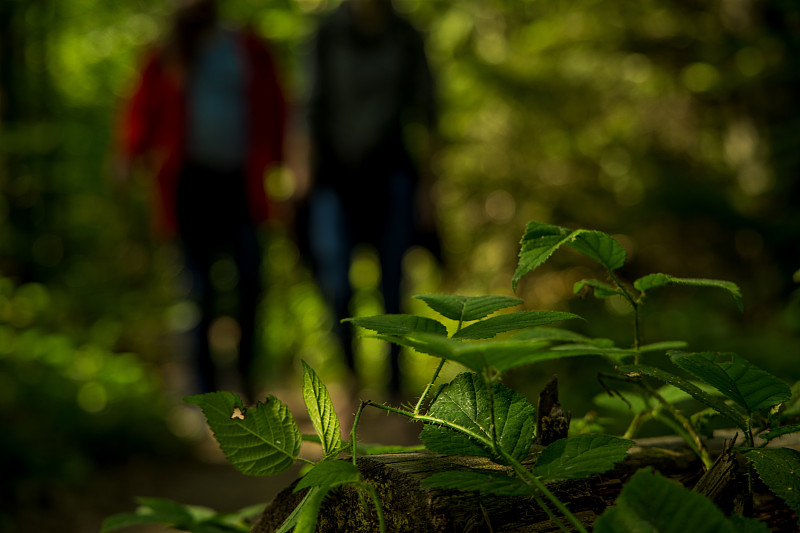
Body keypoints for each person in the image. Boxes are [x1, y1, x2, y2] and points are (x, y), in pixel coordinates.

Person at [116, 0, 287, 404]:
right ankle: (204, 396)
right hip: (188, 188)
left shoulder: (248, 47)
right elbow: (142, 107)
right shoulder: (168, 52)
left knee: (250, 283)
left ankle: (247, 384)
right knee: (197, 291)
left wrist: (287, 167)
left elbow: (277, 106)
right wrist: (129, 155)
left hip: (241, 187)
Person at [298, 0, 438, 396]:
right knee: (336, 281)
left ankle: (396, 386)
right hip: (334, 178)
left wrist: (429, 188)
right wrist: (301, 176)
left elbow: (427, 112)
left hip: (392, 173)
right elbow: (308, 105)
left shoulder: (407, 34)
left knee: (394, 283)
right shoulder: (325, 32)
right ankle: (351, 383)